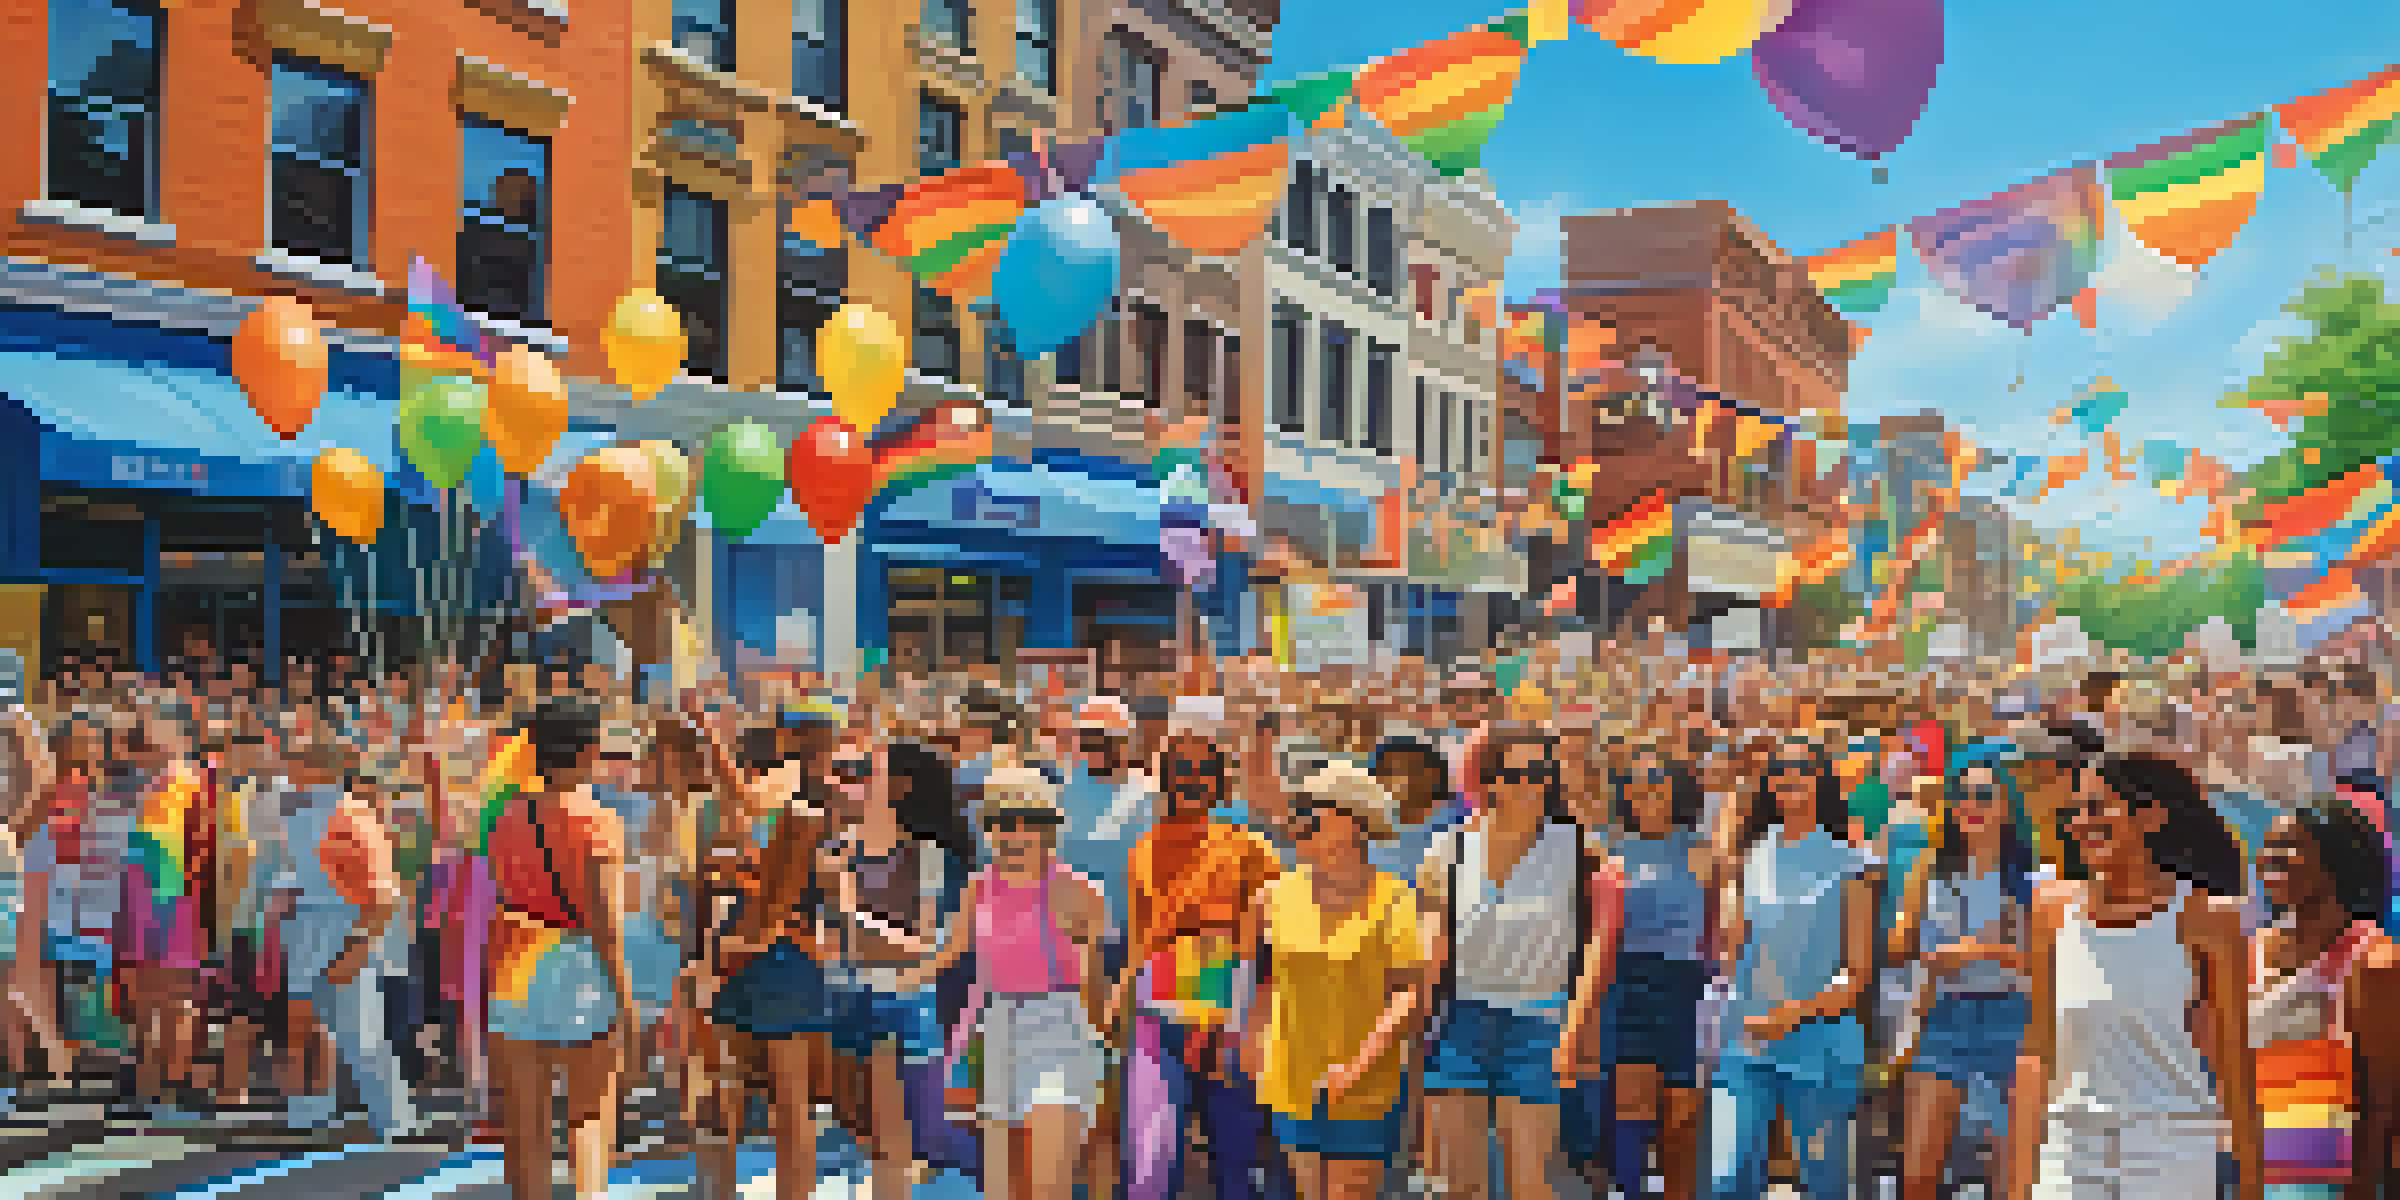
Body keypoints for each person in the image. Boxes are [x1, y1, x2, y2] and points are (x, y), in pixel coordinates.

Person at [2012, 752, 2258, 1200]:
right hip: (2069, 1148)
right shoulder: (2050, 911)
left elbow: (2233, 1060)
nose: (2081, 823)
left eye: (2097, 807)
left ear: (2150, 817)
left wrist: (2251, 1182)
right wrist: (2019, 1184)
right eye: (2076, 811)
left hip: (2172, 1149)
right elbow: (2038, 1053)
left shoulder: (2208, 919)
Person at [912, 766, 1111, 1200]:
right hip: (995, 1030)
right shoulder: (978, 888)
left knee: (1048, 1182)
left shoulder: (1079, 892)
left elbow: (1095, 985)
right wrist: (878, 967)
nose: (1014, 834)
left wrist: (1103, 1044)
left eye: (1027, 823)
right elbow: (945, 957)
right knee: (1004, 1184)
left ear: (1048, 830)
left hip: (1060, 1030)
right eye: (1002, 823)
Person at [1419, 727, 1591, 1200]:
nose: (1530, 785)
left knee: (1529, 1186)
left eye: (1541, 774)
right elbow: (1431, 948)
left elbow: (1594, 945)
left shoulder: (1574, 846)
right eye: (1517, 774)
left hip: (1538, 1024)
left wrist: (1576, 1029)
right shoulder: (1446, 849)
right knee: (1461, 1187)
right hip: (1461, 1022)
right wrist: (1414, 1029)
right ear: (1489, 781)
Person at [1242, 761, 1427, 1200]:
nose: (1298, 822)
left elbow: (1407, 994)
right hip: (1290, 1078)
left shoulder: (1395, 897)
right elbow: (1264, 980)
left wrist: (1358, 1066)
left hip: (1364, 1083)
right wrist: (1251, 1043)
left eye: (1311, 811)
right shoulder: (1273, 895)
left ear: (1352, 823)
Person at [1118, 730, 1286, 1200]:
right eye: (1181, 770)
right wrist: (1119, 996)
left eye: (1203, 771)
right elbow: (1140, 938)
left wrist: (1234, 1017)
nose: (1192, 780)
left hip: (1227, 1007)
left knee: (1234, 1154)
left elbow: (1266, 943)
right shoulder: (1144, 849)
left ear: (1219, 783)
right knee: (1151, 1159)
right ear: (1164, 779)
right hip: (1156, 1007)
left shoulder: (1251, 849)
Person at [486, 697, 643, 1198]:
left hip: (516, 958)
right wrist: (627, 999)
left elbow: (503, 888)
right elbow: (605, 922)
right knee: (588, 1116)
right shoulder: (596, 821)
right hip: (578, 965)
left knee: (525, 1119)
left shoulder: (508, 816)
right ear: (590, 750)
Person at [1709, 737, 1876, 1200]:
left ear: (1821, 779)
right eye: (1780, 768)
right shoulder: (1751, 853)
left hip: (1822, 1046)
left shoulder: (1850, 859)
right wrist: (1730, 863)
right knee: (1727, 1180)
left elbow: (1857, 974)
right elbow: (1729, 947)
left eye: (1802, 768)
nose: (1790, 777)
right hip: (1748, 1042)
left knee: (1824, 1187)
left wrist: (1789, 1016)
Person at [693, 700, 843, 1200]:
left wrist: (732, 945)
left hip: (771, 951)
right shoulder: (820, 796)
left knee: (756, 1095)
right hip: (780, 953)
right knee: (780, 1099)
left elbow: (783, 894)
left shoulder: (802, 803)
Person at [826, 738, 974, 1200]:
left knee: (927, 1134)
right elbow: (836, 941)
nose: (860, 782)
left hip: (921, 1003)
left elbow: (929, 947)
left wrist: (851, 919)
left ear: (902, 785)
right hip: (862, 1003)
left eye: (871, 772)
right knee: (877, 1137)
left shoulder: (932, 856)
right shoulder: (845, 849)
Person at [1890, 743, 2036, 1200]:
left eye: (1984, 795)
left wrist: (1976, 949)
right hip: (1942, 1016)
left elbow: (2035, 959)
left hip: (2014, 1020)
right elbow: (1897, 947)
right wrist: (1927, 949)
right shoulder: (1928, 868)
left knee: (2013, 1178)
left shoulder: (2029, 876)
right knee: (1916, 1176)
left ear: (2006, 806)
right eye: (1962, 795)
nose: (1971, 805)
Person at [2250, 798, 2400, 1200]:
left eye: (2288, 847)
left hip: (2323, 1178)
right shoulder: (2250, 951)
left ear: (2336, 860)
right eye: (2268, 846)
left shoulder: (2373, 960)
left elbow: (2379, 1104)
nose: (2270, 858)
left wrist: (2362, 1190)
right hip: (2249, 1164)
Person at [275, 734, 421, 1139]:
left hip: (342, 930)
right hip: (306, 930)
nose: (289, 767)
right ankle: (310, 1114)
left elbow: (385, 896)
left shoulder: (352, 815)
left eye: (298, 759)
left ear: (320, 768)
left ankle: (395, 1122)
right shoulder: (301, 815)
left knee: (363, 1034)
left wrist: (357, 949)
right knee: (304, 1027)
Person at [1598, 742, 1711, 1200]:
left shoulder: (1703, 852)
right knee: (1631, 1106)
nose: (1647, 795)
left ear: (1676, 793)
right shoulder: (1610, 850)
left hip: (1686, 985)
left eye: (1658, 785)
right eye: (1637, 786)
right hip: (1627, 981)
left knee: (1681, 1116)